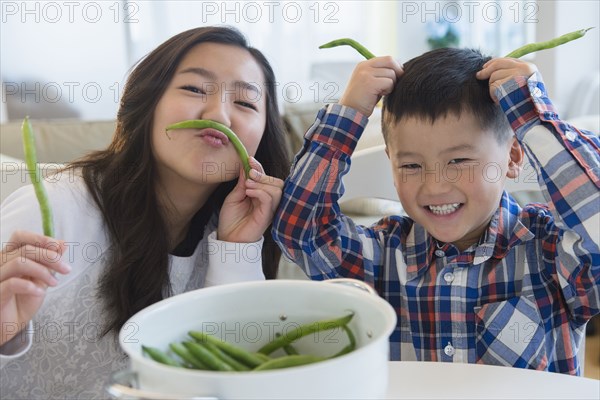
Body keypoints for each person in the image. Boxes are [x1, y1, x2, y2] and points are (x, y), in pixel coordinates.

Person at [0, 26, 290, 398]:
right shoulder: (54, 211)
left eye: (246, 103)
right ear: (147, 102)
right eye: (195, 89)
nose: (218, 114)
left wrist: (236, 252)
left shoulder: (236, 227)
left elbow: (232, 379)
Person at [273, 47, 599, 375]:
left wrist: (533, 118)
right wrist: (349, 113)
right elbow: (301, 230)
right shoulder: (383, 254)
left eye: (458, 161)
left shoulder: (549, 250)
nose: (435, 187)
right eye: (411, 165)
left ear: (513, 157)